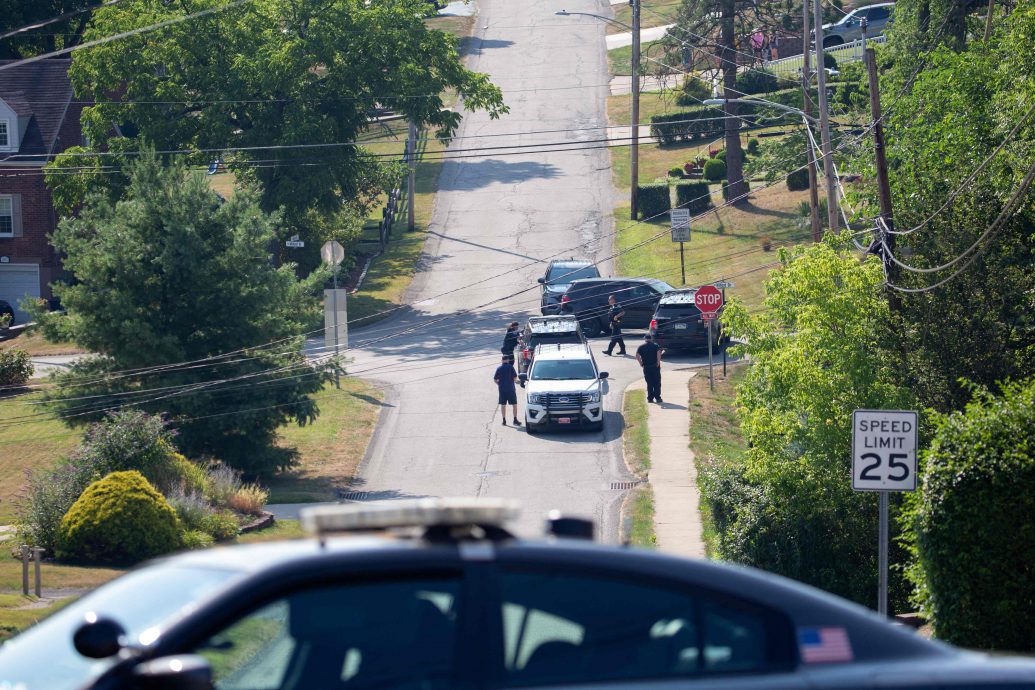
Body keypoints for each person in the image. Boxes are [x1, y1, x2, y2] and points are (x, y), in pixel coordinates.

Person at [494, 354, 521, 426]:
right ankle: (515, 419)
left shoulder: (499, 368)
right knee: (514, 404)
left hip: (502, 390)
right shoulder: (511, 367)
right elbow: (515, 378)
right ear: (508, 360)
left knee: (503, 405)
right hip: (511, 389)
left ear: (502, 360)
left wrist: (499, 384)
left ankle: (504, 420)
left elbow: (495, 379)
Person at [636, 333, 663, 403]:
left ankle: (650, 398)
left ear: (645, 339)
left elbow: (637, 355)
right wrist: (658, 362)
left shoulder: (641, 347)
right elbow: (659, 353)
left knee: (649, 383)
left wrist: (641, 363)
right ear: (651, 339)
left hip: (646, 367)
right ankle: (658, 398)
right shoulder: (656, 345)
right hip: (655, 366)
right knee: (657, 382)